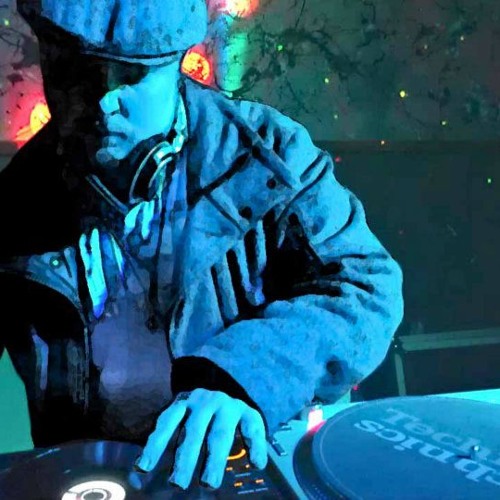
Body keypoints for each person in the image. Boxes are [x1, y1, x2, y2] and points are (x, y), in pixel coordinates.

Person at [0, 0, 404, 492]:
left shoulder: (272, 158)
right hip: (91, 481)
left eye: (130, 76)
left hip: (240, 469)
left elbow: (365, 287)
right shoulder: (14, 202)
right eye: (73, 73)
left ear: (177, 64)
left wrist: (241, 377)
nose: (103, 102)